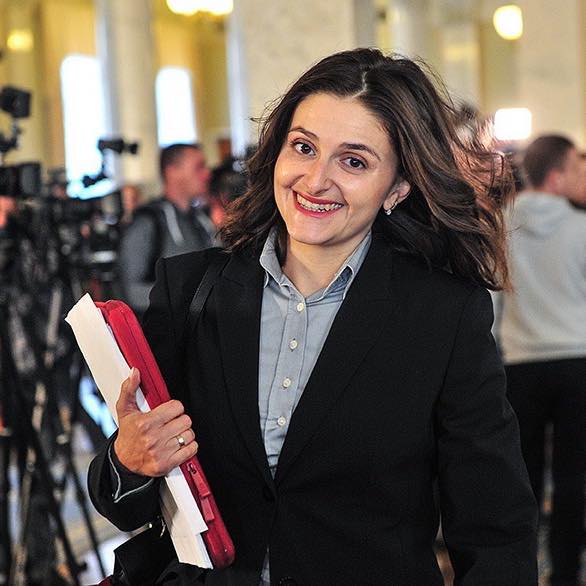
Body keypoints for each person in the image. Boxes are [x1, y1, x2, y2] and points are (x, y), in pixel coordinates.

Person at [89, 48, 537, 585]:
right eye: (303, 147)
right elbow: (123, 503)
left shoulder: (443, 314)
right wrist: (127, 459)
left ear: (398, 188)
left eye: (354, 162)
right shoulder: (190, 290)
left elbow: (494, 526)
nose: (316, 180)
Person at [497, 135, 585, 586]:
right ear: (555, 176)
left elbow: (491, 300)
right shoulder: (581, 227)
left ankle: (521, 570)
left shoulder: (499, 224)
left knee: (521, 478)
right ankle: (566, 574)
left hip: (519, 363)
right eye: (577, 168)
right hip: (577, 360)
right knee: (574, 477)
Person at [118, 143, 217, 314]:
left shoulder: (201, 221)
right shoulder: (148, 222)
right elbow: (130, 291)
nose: (207, 173)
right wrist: (188, 298)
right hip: (163, 328)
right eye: (199, 167)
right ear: (172, 172)